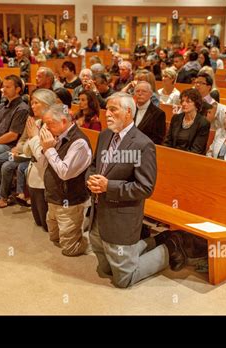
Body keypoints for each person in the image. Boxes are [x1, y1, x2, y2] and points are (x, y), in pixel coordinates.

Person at [86, 92, 177, 288]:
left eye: (113, 109)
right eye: (106, 109)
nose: (107, 114)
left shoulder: (143, 144)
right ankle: (146, 244)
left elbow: (145, 187)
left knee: (123, 280)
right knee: (104, 268)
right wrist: (90, 180)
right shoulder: (104, 136)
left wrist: (107, 186)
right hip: (97, 215)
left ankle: (170, 247)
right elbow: (94, 166)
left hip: (121, 217)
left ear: (128, 113)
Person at [40, 104, 92, 256]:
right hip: (53, 197)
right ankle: (81, 225)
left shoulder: (79, 142)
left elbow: (65, 173)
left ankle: (96, 242)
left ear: (63, 121)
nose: (46, 128)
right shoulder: (56, 137)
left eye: (49, 124)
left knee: (70, 249)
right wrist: (45, 146)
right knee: (54, 238)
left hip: (70, 199)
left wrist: (49, 149)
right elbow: (43, 163)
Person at [23, 89, 58, 230]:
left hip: (44, 179)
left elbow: (43, 158)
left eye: (36, 103)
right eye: (32, 102)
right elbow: (26, 150)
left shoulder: (53, 126)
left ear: (47, 105)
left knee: (46, 225)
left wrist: (34, 137)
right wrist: (32, 137)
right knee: (38, 221)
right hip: (33, 176)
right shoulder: (37, 123)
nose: (32, 106)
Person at [163, 88, 211, 154]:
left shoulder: (203, 123)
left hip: (190, 159)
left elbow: (196, 150)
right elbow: (167, 142)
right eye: (182, 101)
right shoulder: (176, 118)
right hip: (172, 155)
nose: (184, 104)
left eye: (188, 101)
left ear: (196, 104)